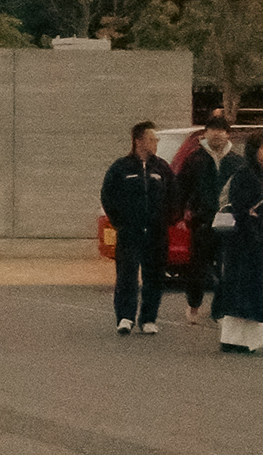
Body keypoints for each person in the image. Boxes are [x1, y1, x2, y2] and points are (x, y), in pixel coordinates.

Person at [101, 121, 174, 334]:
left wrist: (166, 219)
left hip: (156, 232)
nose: (155, 143)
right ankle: (125, 317)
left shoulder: (162, 168)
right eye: (152, 139)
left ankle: (148, 319)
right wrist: (120, 221)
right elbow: (108, 195)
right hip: (130, 232)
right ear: (138, 141)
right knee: (127, 275)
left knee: (154, 275)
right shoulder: (120, 168)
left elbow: (174, 194)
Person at [217, 130, 263, 356]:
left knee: (243, 292)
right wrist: (258, 217)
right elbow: (239, 208)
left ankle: (231, 339)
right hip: (246, 244)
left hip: (260, 241)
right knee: (257, 291)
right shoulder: (244, 175)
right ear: (253, 151)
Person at [175, 111, 237, 326]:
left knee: (225, 269)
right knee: (197, 268)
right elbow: (181, 189)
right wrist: (180, 215)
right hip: (202, 222)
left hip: (228, 223)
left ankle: (219, 311)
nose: (217, 134)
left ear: (228, 134)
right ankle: (194, 303)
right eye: (213, 130)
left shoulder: (236, 161)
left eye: (221, 130)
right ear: (205, 133)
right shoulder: (195, 159)